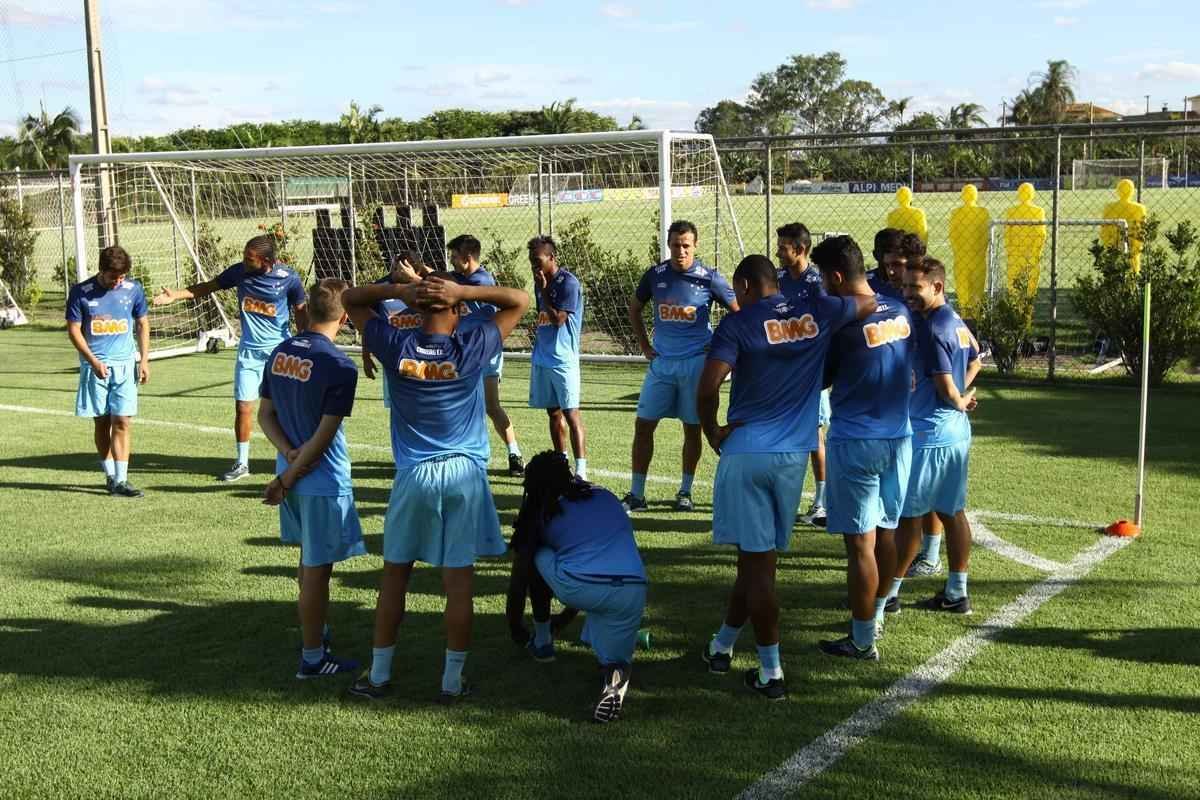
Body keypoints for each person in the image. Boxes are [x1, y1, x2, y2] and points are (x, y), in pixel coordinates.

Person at [341, 272, 529, 702]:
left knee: (395, 577)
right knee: (458, 583)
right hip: (465, 474)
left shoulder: (395, 345)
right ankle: (451, 682)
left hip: (415, 475)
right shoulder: (472, 345)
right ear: (458, 309)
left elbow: (351, 298)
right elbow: (519, 300)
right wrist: (464, 290)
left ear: (416, 307)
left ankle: (379, 677)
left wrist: (399, 291)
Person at [698, 254, 874, 699]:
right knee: (757, 561)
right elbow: (867, 303)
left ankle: (770, 672)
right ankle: (721, 646)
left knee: (759, 569)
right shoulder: (817, 309)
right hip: (794, 458)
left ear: (743, 286)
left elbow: (708, 385)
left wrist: (712, 430)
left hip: (747, 453)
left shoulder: (737, 323)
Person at [258, 278, 367, 679]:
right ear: (346, 316)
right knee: (319, 570)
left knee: (309, 558)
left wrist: (287, 455)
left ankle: (315, 631)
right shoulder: (339, 365)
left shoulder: (280, 351)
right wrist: (289, 475)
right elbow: (323, 438)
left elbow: (264, 415)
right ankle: (313, 657)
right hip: (319, 481)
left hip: (292, 472)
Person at [813, 236, 914, 660]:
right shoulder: (901, 309)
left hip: (857, 441)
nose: (823, 286)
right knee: (886, 533)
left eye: (823, 278)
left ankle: (861, 638)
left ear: (837, 276)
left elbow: (820, 378)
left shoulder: (843, 323)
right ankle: (879, 614)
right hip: (900, 437)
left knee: (860, 545)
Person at [153, 235, 307, 481]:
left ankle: (295, 458)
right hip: (249, 353)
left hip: (279, 353)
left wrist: (304, 340)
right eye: (244, 257)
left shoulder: (289, 278)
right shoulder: (239, 272)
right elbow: (209, 286)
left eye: (250, 259)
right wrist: (177, 295)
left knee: (285, 410)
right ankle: (242, 463)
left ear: (267, 261)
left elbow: (300, 309)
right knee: (243, 407)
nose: (244, 262)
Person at [509, 451, 648, 723]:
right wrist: (566, 618)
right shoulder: (605, 495)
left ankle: (542, 641)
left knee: (535, 553)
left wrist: (516, 628)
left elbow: (519, 578)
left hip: (581, 585)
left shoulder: (543, 511)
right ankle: (614, 679)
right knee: (614, 661)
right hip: (632, 588)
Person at [625, 220, 738, 513]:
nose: (681, 251)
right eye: (676, 245)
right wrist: (644, 345)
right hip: (662, 364)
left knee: (692, 429)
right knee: (643, 424)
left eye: (686, 245)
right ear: (669, 245)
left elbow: (738, 312)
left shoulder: (709, 279)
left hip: (695, 365)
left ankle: (685, 492)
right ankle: (636, 494)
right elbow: (634, 308)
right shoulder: (655, 275)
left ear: (695, 246)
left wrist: (721, 347)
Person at [888, 258, 980, 615]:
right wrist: (961, 397)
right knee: (952, 511)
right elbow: (976, 359)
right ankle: (957, 592)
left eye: (915, 287)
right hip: (954, 431)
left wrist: (958, 398)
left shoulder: (931, 329)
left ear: (937, 287)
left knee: (909, 517)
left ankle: (887, 594)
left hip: (929, 434)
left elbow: (943, 384)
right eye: (905, 286)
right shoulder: (954, 320)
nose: (907, 293)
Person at [65, 245, 150, 498]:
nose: (118, 281)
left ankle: (122, 480)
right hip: (95, 367)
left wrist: (144, 360)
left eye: (122, 277)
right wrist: (92, 361)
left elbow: (142, 323)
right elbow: (74, 330)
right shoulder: (80, 292)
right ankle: (110, 475)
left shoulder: (133, 289)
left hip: (125, 366)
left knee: (122, 421)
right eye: (114, 277)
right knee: (102, 422)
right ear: (101, 270)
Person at [447, 234, 525, 477]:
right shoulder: (461, 278)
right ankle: (462, 454)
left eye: (454, 257)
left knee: (491, 406)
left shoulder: (482, 281)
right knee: (462, 406)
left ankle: (514, 454)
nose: (451, 261)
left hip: (487, 352)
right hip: (464, 353)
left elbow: (457, 290)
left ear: (468, 257)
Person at [775, 222, 830, 524]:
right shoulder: (778, 279)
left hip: (810, 371)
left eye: (783, 248)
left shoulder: (818, 283)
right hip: (782, 370)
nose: (778, 253)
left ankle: (822, 502)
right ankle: (783, 498)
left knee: (814, 434)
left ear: (800, 249)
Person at [528, 235, 588, 479]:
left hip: (563, 360)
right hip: (542, 358)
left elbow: (558, 320)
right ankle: (561, 466)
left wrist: (544, 290)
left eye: (537, 260)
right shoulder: (539, 282)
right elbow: (543, 317)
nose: (534, 265)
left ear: (552, 257)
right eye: (531, 260)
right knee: (553, 413)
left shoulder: (568, 283)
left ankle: (581, 471)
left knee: (571, 414)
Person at [360, 250, 425, 409]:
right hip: (393, 356)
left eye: (402, 270)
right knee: (397, 406)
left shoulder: (425, 289)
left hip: (423, 356)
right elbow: (368, 323)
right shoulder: (380, 290)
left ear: (415, 272)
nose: (397, 273)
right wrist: (366, 355)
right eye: (395, 268)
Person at [868, 228, 907, 298]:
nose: (890, 272)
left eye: (897, 264)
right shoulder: (865, 284)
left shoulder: (921, 287)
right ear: (875, 255)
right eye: (887, 265)